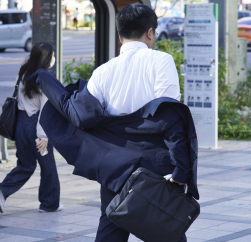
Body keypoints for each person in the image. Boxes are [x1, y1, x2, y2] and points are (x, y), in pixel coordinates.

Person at [86, 3, 187, 242]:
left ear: (120, 38)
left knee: (111, 228)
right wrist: (182, 170)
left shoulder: (102, 71)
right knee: (166, 231)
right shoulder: (161, 61)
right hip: (155, 167)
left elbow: (88, 117)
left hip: (113, 167)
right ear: (150, 33)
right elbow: (170, 118)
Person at [0, 42, 62, 213]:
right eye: (52, 55)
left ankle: (2, 191)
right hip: (37, 127)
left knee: (25, 165)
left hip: (21, 124)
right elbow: (45, 109)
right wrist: (44, 136)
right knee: (48, 166)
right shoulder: (43, 78)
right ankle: (49, 204)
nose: (53, 58)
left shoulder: (23, 72)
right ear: (46, 58)